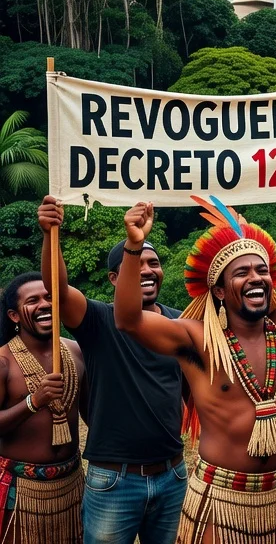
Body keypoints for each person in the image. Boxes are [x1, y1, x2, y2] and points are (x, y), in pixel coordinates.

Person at [114, 195, 276, 544]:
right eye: (242, 272)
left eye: (262, 270)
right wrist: (133, 246)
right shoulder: (197, 339)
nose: (255, 277)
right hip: (221, 501)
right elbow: (128, 320)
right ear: (219, 289)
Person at [36, 199, 186, 544]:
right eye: (138, 263)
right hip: (115, 480)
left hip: (173, 474)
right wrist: (49, 234)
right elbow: (56, 289)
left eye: (155, 263)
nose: (148, 269)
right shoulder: (98, 320)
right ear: (114, 278)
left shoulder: (181, 323)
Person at [0, 273, 86, 544]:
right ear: (14, 316)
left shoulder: (76, 352)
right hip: (21, 489)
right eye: (33, 300)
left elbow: (93, 411)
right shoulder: (4, 361)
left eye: (50, 297)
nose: (45, 304)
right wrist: (33, 402)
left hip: (72, 483)